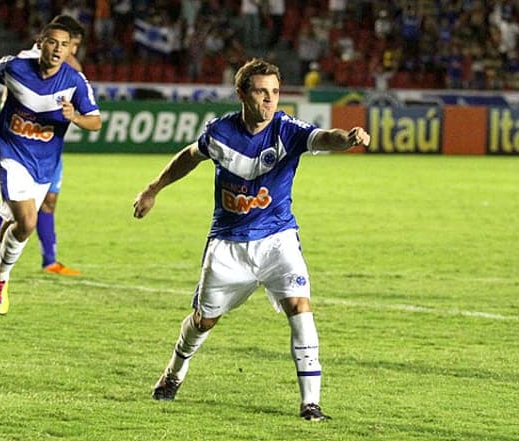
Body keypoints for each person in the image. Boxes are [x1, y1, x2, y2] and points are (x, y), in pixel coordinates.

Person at [133, 58, 370, 421]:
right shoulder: (219, 133)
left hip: (278, 238)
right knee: (203, 321)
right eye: (261, 91)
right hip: (228, 245)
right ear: (242, 93)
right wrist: (153, 188)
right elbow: (190, 156)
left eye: (274, 92)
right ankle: (173, 373)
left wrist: (347, 138)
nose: (269, 100)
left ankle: (311, 404)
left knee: (300, 307)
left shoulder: (286, 129)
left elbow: (322, 137)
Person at [0, 22, 102, 329]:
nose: (58, 50)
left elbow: (96, 121)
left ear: (69, 50)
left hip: (44, 165)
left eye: (64, 45)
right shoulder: (15, 67)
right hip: (7, 152)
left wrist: (75, 117)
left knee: (18, 226)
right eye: (52, 43)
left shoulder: (75, 82)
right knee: (26, 221)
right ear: (41, 43)